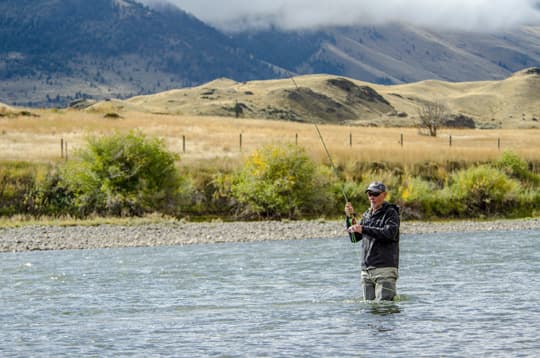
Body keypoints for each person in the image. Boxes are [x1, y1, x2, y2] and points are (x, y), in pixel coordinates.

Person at [345, 181, 400, 301]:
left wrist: (363, 228)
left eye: (375, 194)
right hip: (366, 271)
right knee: (369, 310)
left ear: (384, 195)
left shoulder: (391, 213)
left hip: (384, 269)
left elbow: (389, 234)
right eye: (369, 194)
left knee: (384, 308)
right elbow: (355, 239)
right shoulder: (367, 215)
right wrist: (350, 218)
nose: (372, 197)